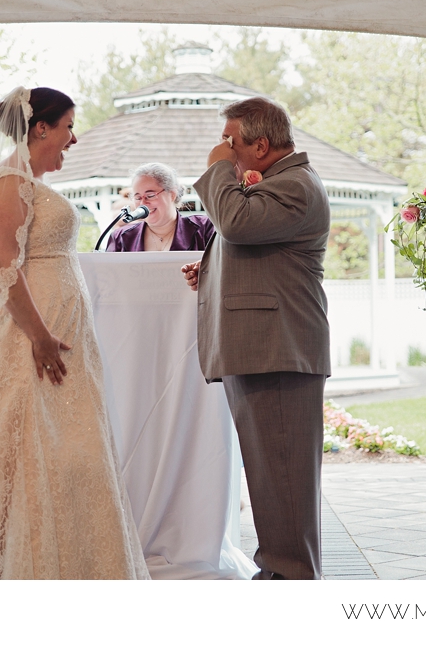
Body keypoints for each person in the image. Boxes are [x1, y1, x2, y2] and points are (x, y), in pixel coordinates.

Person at [0, 87, 149, 579]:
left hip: (60, 337)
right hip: (28, 340)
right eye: (67, 126)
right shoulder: (5, 184)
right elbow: (2, 268)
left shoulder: (30, 184)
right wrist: (40, 336)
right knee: (31, 451)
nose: (73, 137)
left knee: (72, 449)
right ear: (40, 128)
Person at [182, 97, 330, 580]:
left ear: (261, 145)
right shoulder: (280, 182)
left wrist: (216, 168)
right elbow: (257, 249)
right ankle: (282, 577)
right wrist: (209, 271)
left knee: (282, 481)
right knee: (271, 479)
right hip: (265, 348)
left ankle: (287, 583)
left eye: (232, 141)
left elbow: (237, 223)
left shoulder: (296, 186)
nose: (224, 149)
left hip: (279, 351)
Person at [106, 162, 215, 252]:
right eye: (138, 198)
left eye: (150, 196)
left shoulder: (205, 229)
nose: (143, 203)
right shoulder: (121, 238)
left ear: (172, 194)